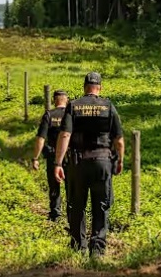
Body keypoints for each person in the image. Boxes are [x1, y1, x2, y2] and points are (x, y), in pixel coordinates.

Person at [53, 72, 124, 257]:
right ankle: (98, 251)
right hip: (103, 162)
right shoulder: (108, 106)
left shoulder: (73, 106)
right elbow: (119, 139)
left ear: (85, 87)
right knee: (101, 205)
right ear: (99, 87)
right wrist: (120, 160)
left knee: (77, 205)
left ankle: (79, 247)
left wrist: (58, 163)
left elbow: (65, 135)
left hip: (78, 163)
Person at [32, 90, 69, 222]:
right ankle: (72, 214)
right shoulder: (72, 114)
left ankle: (56, 214)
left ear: (54, 100)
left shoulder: (49, 115)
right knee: (71, 185)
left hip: (53, 155)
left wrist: (35, 158)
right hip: (70, 155)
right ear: (67, 100)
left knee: (54, 186)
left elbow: (40, 138)